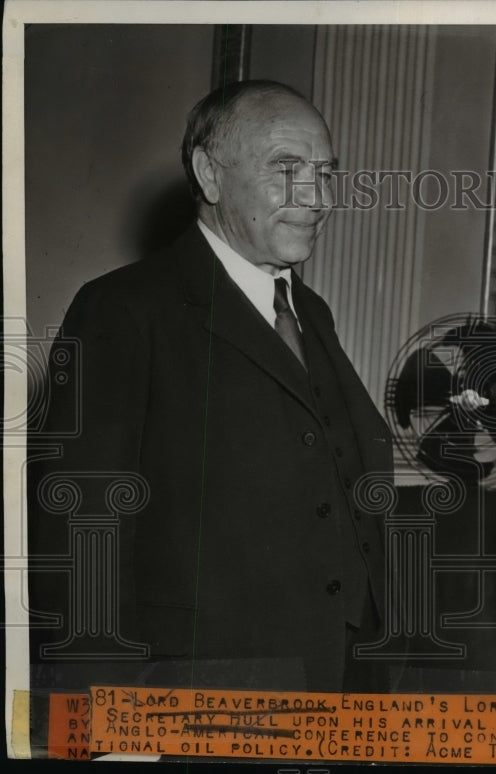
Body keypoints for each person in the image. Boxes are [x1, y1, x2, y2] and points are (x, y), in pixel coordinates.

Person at [28, 80, 394, 693]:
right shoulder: (122, 308)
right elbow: (81, 532)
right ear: (210, 174)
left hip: (338, 682)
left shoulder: (311, 311)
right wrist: (107, 721)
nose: (319, 197)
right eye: (287, 168)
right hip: (199, 694)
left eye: (325, 173)